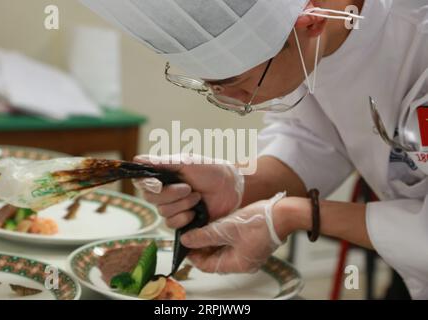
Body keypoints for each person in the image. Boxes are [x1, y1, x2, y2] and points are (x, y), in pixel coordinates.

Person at [81, 0, 428, 299]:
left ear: (311, 23)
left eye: (237, 86)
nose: (227, 101)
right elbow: (314, 139)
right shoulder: (312, 36)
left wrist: (293, 214)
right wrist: (239, 184)